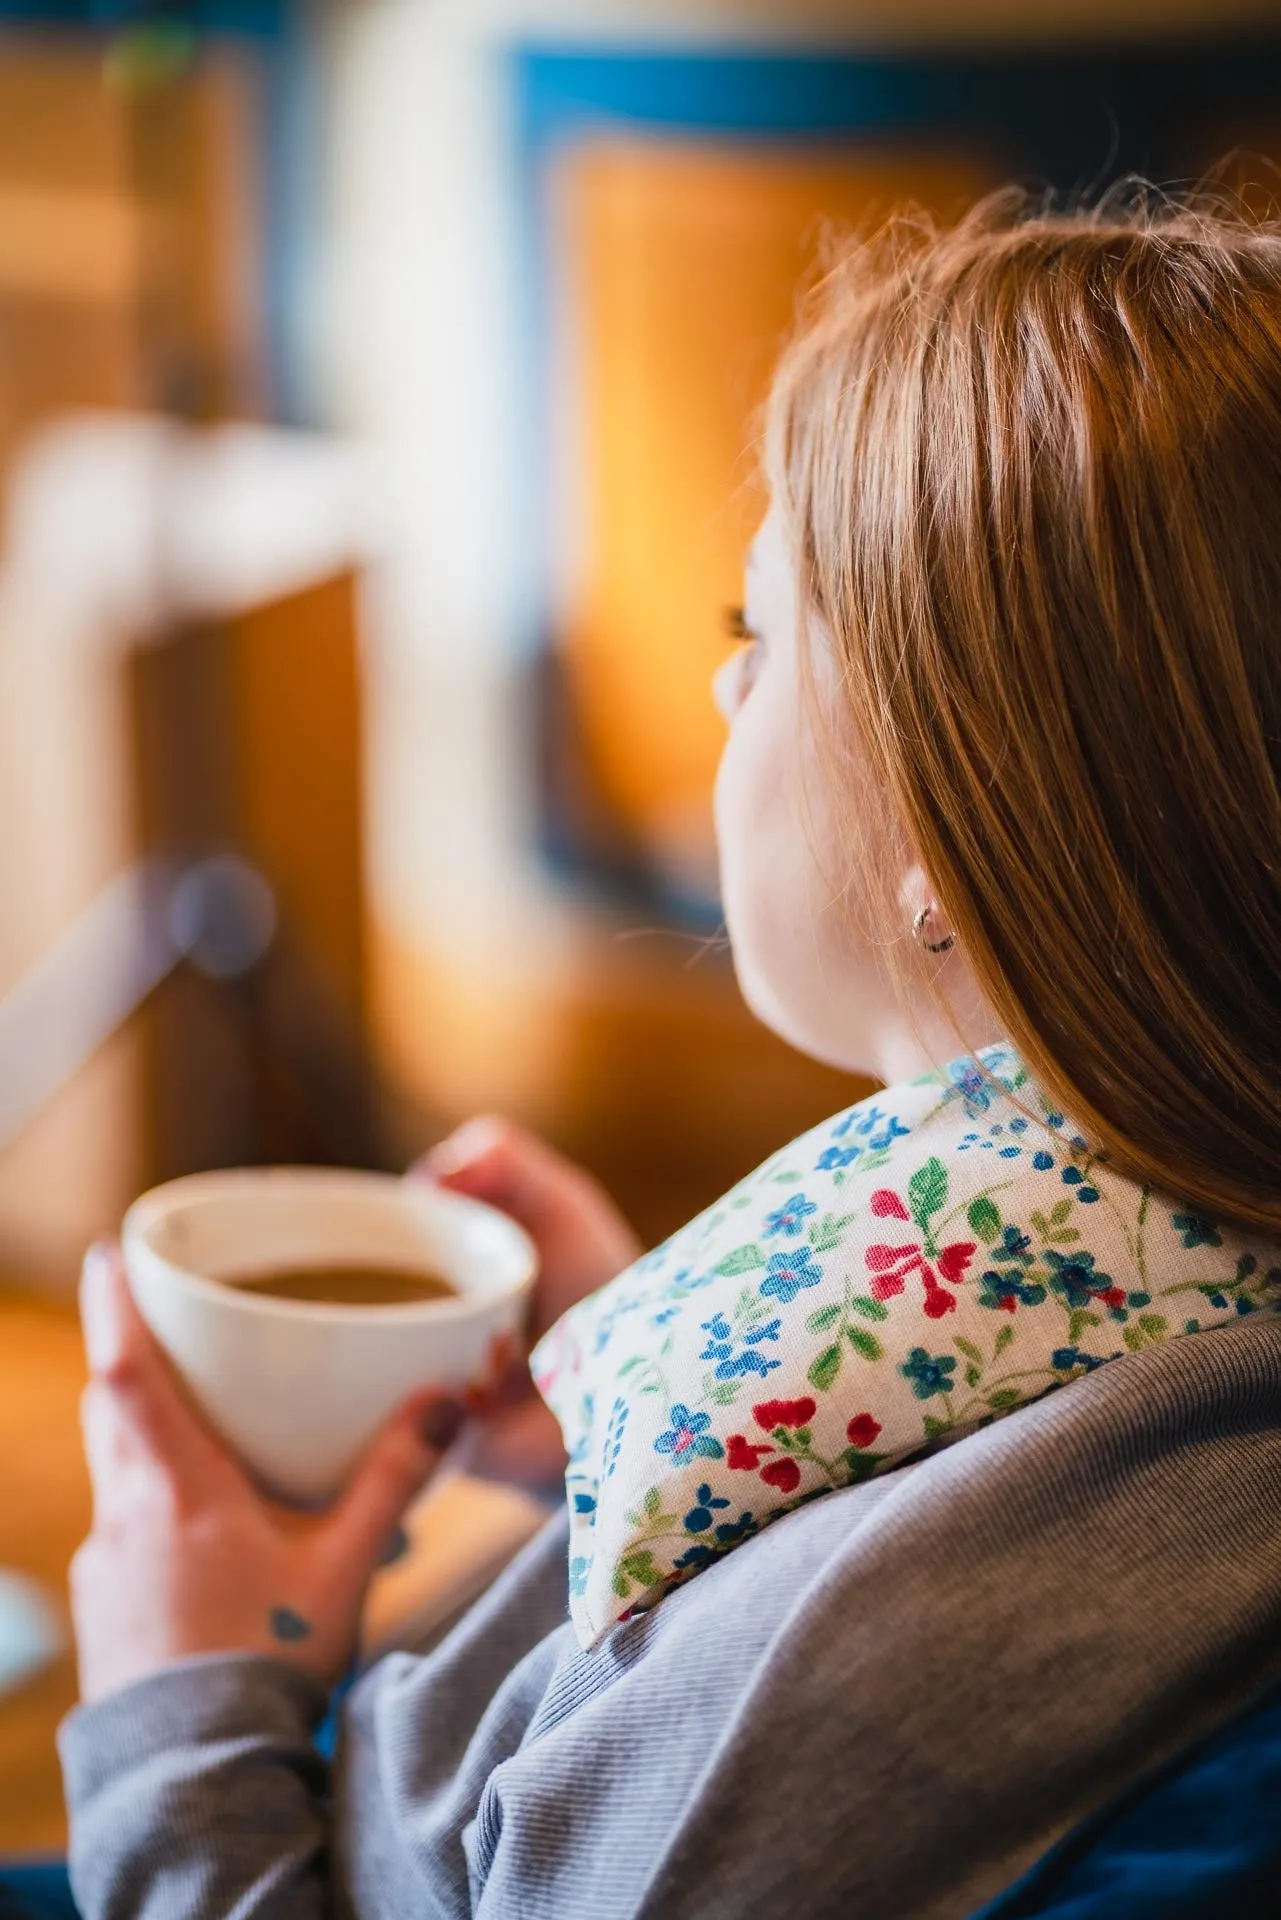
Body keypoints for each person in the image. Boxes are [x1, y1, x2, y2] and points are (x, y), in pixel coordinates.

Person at [42, 189, 1281, 1916]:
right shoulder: (1156, 1248)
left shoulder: (873, 1676)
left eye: (755, 640)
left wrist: (184, 1710)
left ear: (954, 832)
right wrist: (620, 1409)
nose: (720, 698)